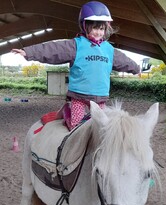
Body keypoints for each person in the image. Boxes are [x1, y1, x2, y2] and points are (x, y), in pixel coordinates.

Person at [11, 1, 140, 130]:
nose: (99, 32)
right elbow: (53, 50)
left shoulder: (109, 50)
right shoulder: (76, 45)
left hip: (100, 97)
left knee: (102, 128)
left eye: (101, 28)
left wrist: (136, 68)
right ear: (85, 26)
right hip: (79, 96)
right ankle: (67, 112)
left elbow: (124, 61)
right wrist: (29, 52)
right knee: (76, 127)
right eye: (95, 28)